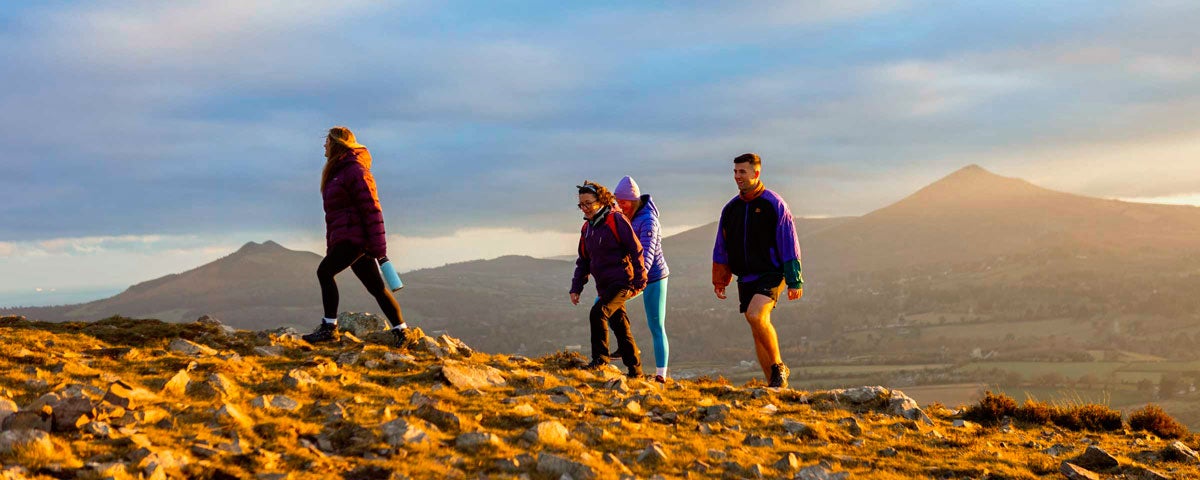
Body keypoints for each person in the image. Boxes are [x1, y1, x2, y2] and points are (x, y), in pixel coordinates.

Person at [303, 126, 416, 347]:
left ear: (336, 144)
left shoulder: (354, 170)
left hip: (354, 239)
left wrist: (379, 249)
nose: (323, 146)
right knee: (376, 287)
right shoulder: (338, 171)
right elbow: (335, 215)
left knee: (324, 272)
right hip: (348, 237)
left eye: (326, 141)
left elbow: (372, 208)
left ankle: (329, 327)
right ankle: (401, 332)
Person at [712, 153, 803, 388]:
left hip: (772, 272)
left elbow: (789, 241)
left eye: (742, 172)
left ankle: (779, 366)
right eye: (735, 172)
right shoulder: (730, 209)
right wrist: (720, 279)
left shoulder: (774, 203)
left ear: (756, 173)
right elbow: (721, 245)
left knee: (755, 315)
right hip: (746, 275)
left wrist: (794, 279)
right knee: (756, 329)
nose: (737, 176)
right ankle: (774, 387)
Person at [569, 181, 647, 378]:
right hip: (603, 286)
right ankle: (635, 371)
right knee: (621, 327)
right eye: (581, 204)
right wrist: (576, 287)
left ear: (601, 201)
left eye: (588, 203)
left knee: (598, 313)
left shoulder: (616, 220)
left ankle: (600, 359)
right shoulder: (587, 228)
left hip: (622, 282)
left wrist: (640, 279)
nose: (584, 208)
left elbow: (635, 249)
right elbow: (584, 260)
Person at [614, 176, 671, 383]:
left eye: (624, 202)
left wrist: (637, 283)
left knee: (656, 325)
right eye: (618, 202)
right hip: (633, 276)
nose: (621, 206)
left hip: (654, 277)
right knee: (603, 305)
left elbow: (646, 255)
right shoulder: (625, 216)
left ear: (634, 199)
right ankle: (625, 345)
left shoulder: (648, 220)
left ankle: (661, 376)